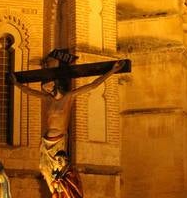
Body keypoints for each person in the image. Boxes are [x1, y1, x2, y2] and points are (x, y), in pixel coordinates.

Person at [9, 58, 124, 188]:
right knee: (44, 169)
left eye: (48, 85)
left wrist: (112, 70)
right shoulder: (47, 99)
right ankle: (55, 197)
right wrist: (16, 84)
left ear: (55, 85)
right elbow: (29, 91)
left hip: (59, 142)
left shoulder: (69, 97)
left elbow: (93, 85)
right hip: (46, 141)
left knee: (58, 173)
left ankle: (60, 197)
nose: (45, 88)